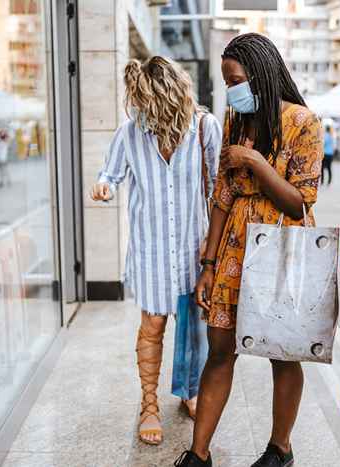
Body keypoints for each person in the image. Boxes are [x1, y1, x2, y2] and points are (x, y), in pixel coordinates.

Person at [175, 33, 323, 467]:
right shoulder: (235, 119)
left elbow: (299, 201)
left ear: (260, 75)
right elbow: (222, 194)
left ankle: (280, 448)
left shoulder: (303, 122)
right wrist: (208, 262)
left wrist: (258, 163)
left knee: (282, 352)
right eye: (226, 82)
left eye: (236, 80)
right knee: (219, 350)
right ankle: (198, 454)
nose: (231, 90)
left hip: (281, 246)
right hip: (235, 248)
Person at [90, 56, 222, 446]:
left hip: (193, 248)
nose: (151, 115)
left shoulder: (204, 128)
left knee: (193, 327)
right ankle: (149, 403)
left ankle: (189, 392)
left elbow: (218, 188)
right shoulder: (130, 133)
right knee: (153, 326)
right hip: (150, 252)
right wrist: (103, 187)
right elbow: (110, 174)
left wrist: (212, 246)